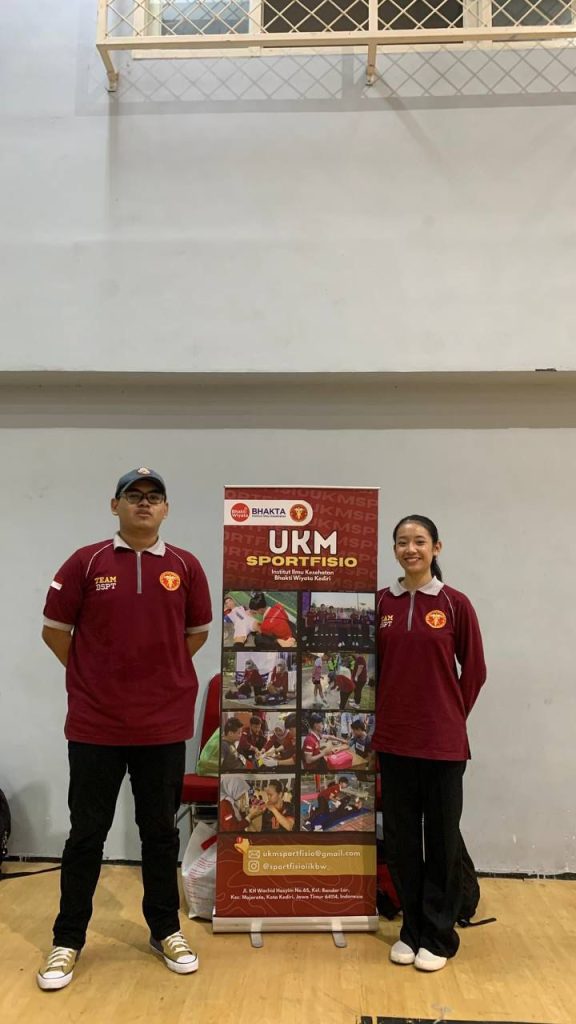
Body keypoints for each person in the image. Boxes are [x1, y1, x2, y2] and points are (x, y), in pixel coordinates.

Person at [37, 468, 212, 991]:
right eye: (133, 496)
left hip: (163, 725)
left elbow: (196, 634)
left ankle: (166, 930)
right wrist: (95, 676)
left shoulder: (186, 566)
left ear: (166, 509)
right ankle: (67, 939)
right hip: (95, 725)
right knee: (86, 834)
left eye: (154, 497)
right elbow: (54, 631)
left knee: (159, 832)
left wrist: (158, 676)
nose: (144, 503)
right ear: (114, 505)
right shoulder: (86, 561)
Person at [373, 514, 486, 973]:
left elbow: (474, 671)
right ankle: (412, 929)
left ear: (436, 548)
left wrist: (449, 717)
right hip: (394, 742)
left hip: (442, 745)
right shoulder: (382, 603)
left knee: (441, 841)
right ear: (395, 550)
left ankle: (439, 935)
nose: (411, 548)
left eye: (419, 541)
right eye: (402, 542)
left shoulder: (456, 604)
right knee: (402, 841)